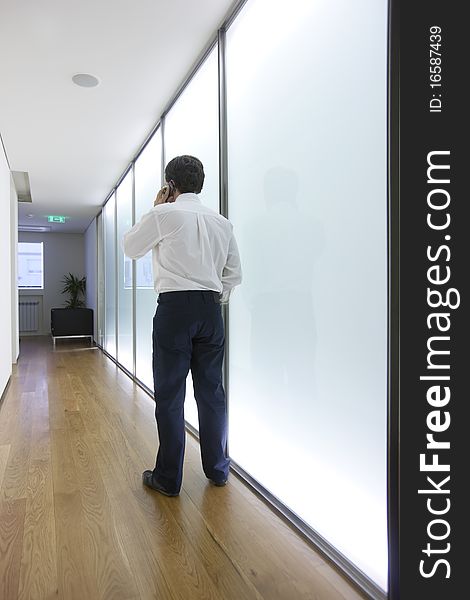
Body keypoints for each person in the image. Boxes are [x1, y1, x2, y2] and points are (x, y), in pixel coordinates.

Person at [122, 155, 242, 496]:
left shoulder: (163, 213)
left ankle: (168, 478)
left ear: (170, 185)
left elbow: (130, 247)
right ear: (200, 184)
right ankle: (218, 470)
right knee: (212, 393)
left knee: (171, 396)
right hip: (210, 310)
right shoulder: (222, 222)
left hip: (174, 311)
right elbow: (234, 274)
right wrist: (213, 301)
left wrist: (154, 208)